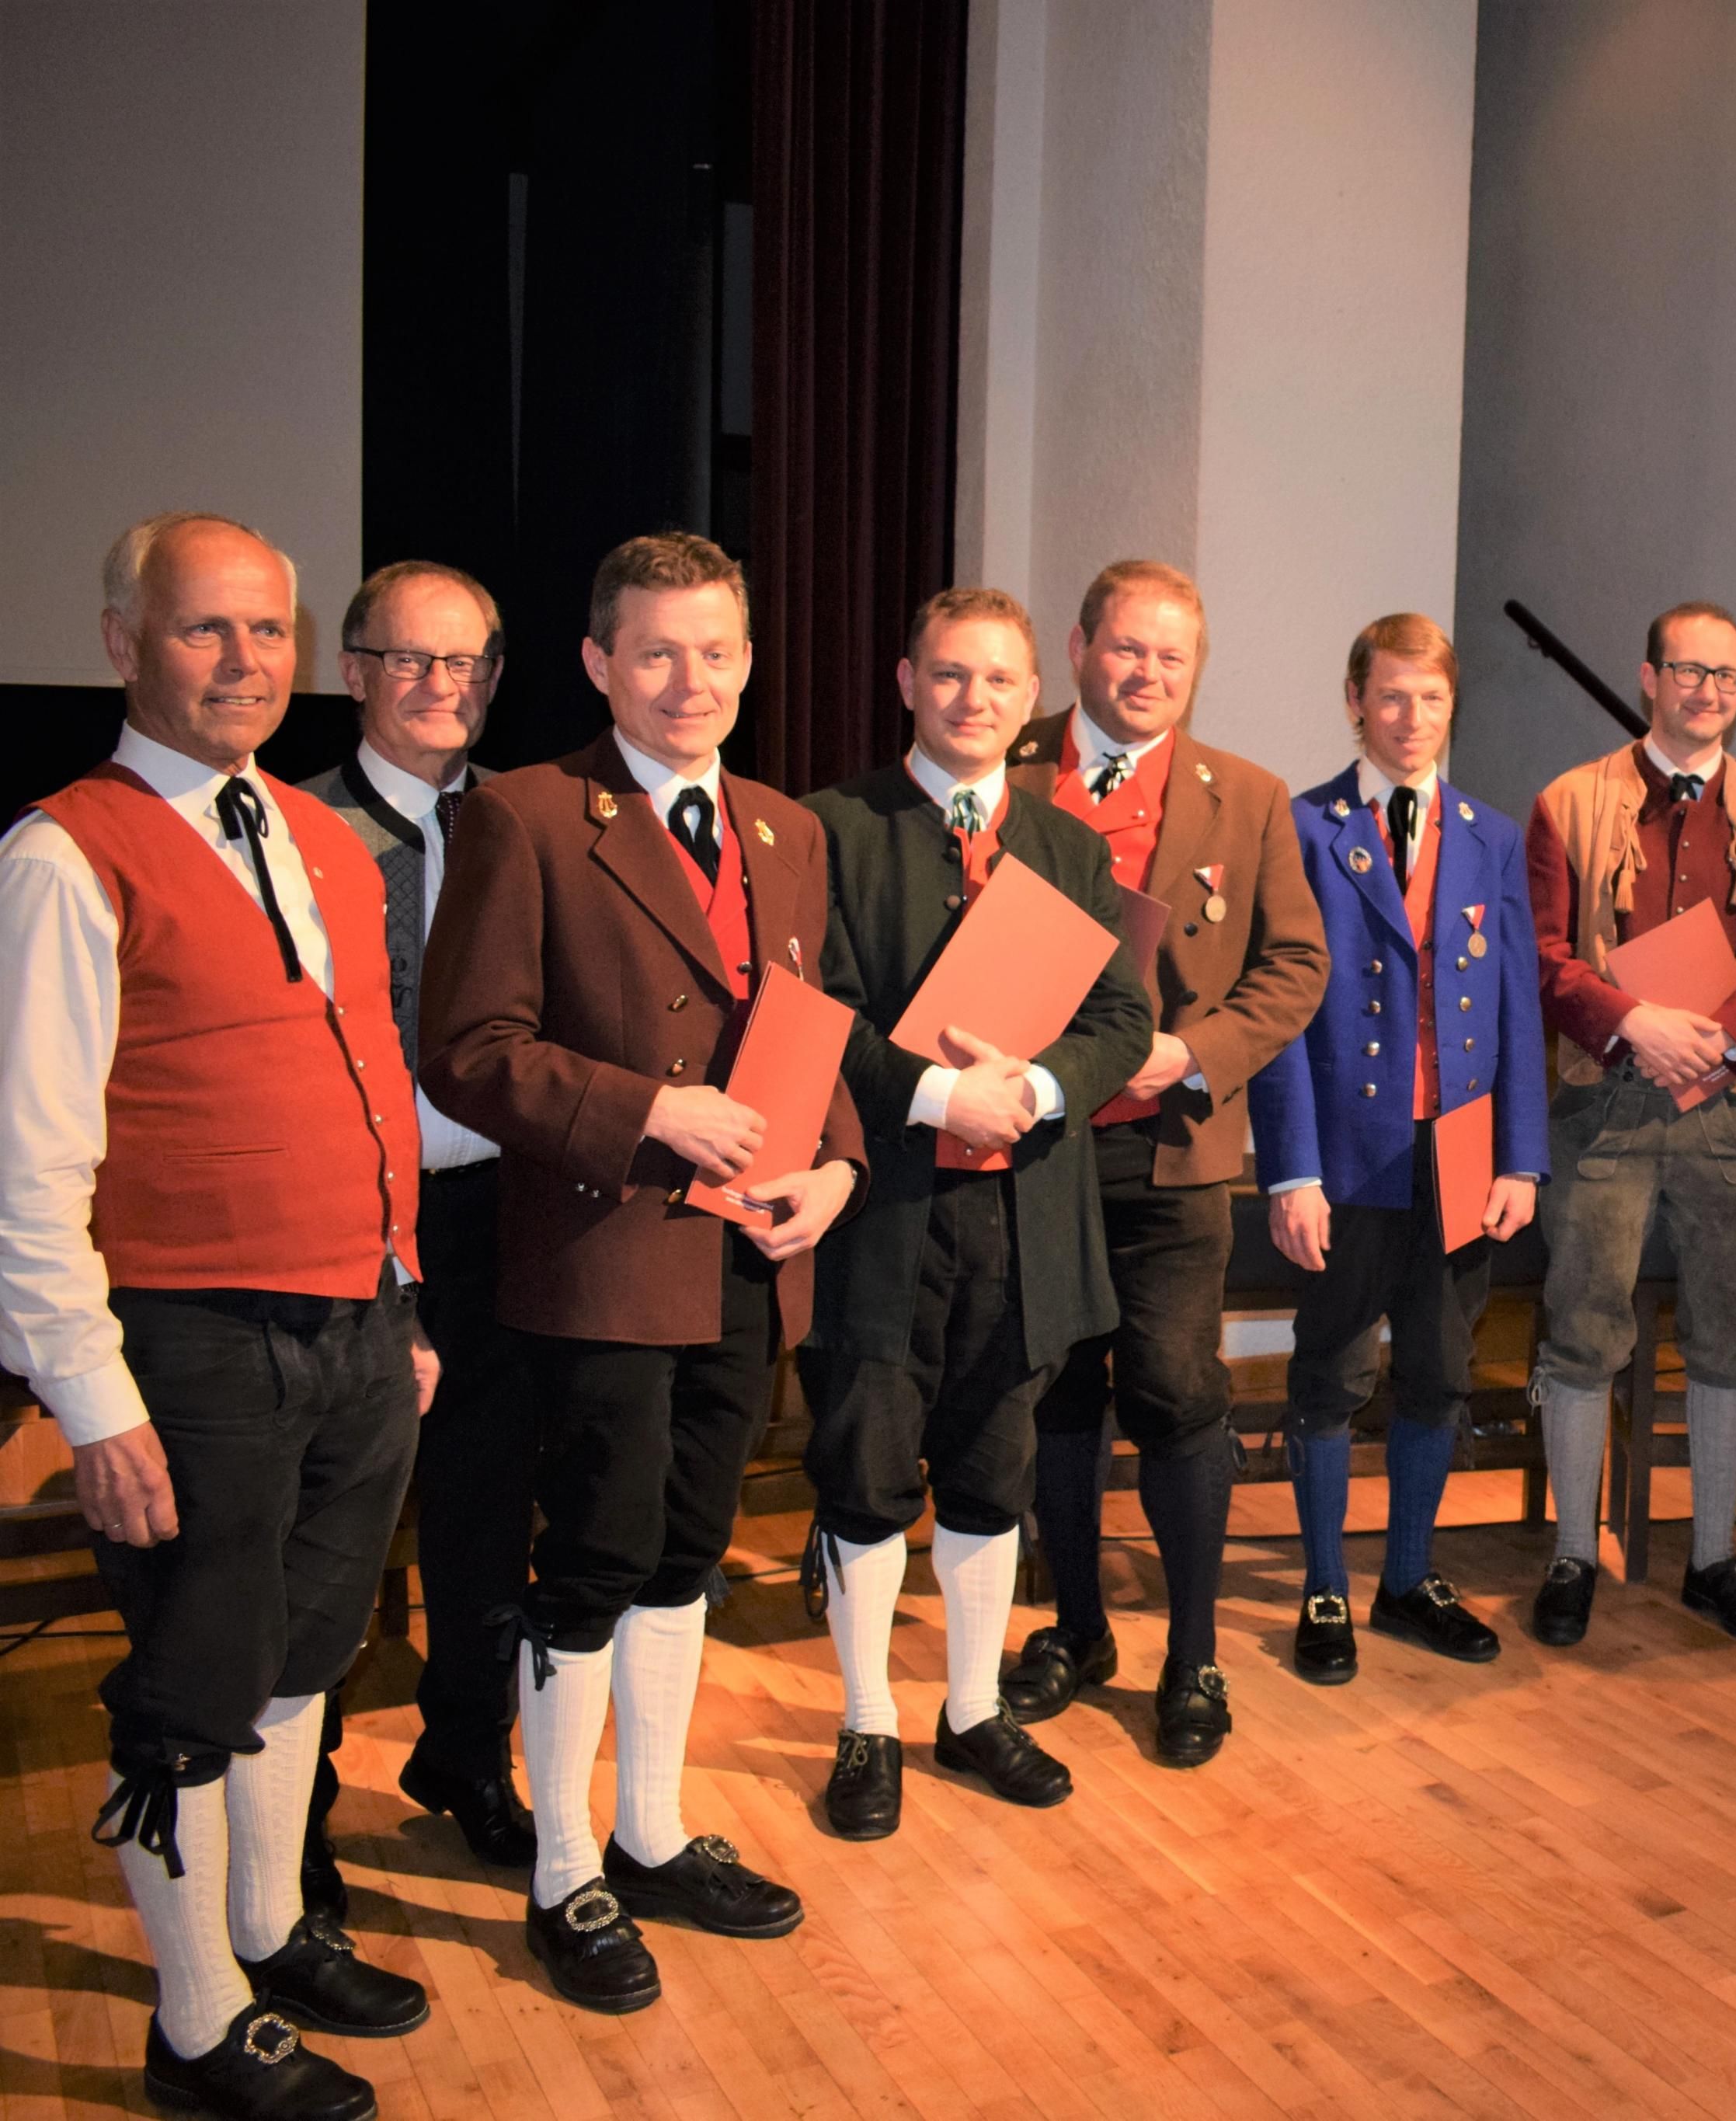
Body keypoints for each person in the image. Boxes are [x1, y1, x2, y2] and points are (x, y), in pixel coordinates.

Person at [0, 514, 433, 2120]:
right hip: (190, 1344)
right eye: (205, 629)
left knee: (304, 1651)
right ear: (124, 644)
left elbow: (364, 1083)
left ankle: (266, 1930)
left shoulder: (324, 840)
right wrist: (94, 1403)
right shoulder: (64, 857)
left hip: (357, 1323)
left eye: (268, 631)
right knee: (196, 1681)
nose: (246, 660)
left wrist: (403, 1296)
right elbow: (28, 1162)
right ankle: (194, 2026)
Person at [423, 532, 864, 2013]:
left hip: (749, 1256)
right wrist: (649, 1113)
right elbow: (467, 1050)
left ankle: (653, 1831)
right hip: (605, 1256)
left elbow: (817, 1027)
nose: (692, 680)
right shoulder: (528, 815)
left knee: (686, 1556)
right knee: (597, 1560)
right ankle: (566, 1872)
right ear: (599, 663)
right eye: (659, 652)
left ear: (749, 661)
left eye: (718, 651)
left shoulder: (786, 829)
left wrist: (840, 1168)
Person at [797, 587, 1153, 1837]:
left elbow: (1122, 1020)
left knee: (993, 1473)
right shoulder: (831, 828)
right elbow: (823, 1010)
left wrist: (1038, 1090)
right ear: (907, 681)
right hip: (883, 1215)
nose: (974, 699)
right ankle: (865, 1723)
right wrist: (941, 1092)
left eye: (1000, 680)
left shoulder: (1069, 847)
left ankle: (970, 1708)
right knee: (864, 1476)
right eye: (950, 674)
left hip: (1024, 1219)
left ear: (1030, 697)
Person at [1002, 561, 1328, 1768]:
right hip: (1031, 1144)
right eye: (1127, 647)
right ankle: (1078, 1629)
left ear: (1197, 671)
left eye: (1171, 657)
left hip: (1171, 1150)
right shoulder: (1004, 764)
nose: (1147, 673)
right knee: (1054, 1394)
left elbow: (1296, 966)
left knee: (1179, 1393)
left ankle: (1192, 1655)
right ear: (1081, 647)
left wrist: (1192, 1052)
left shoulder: (1249, 796)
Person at [1525, 601, 1736, 1646]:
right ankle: (1574, 1553)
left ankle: (1713, 1557)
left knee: (1729, 1333)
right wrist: (1633, 1023)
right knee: (1583, 1327)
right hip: (1604, 1101)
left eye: (1728, 676)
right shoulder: (1569, 800)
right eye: (1690, 670)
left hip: (1733, 1110)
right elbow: (1540, 953)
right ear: (1649, 676)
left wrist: (1727, 1037)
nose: (1708, 691)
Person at [298, 561, 541, 1901]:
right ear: (353, 672)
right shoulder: (296, 833)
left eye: (468, 663)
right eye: (412, 659)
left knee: (487, 1514)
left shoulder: (524, 825)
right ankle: (299, 1808)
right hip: (345, 1222)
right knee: (332, 1527)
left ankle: (468, 1756)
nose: (443, 685)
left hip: (499, 1217)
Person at [1251, 614, 1548, 1683]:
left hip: (1459, 1154)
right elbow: (1278, 1015)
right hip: (1347, 1155)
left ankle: (1409, 1577)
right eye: (1390, 696)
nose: (1411, 717)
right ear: (1354, 702)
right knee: (1331, 1372)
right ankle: (1327, 1585)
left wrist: (1521, 1158)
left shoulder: (1489, 835)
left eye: (1430, 698)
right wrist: (1291, 1170)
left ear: (1450, 705)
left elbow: (1516, 1004)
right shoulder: (1302, 827)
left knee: (1439, 1370)